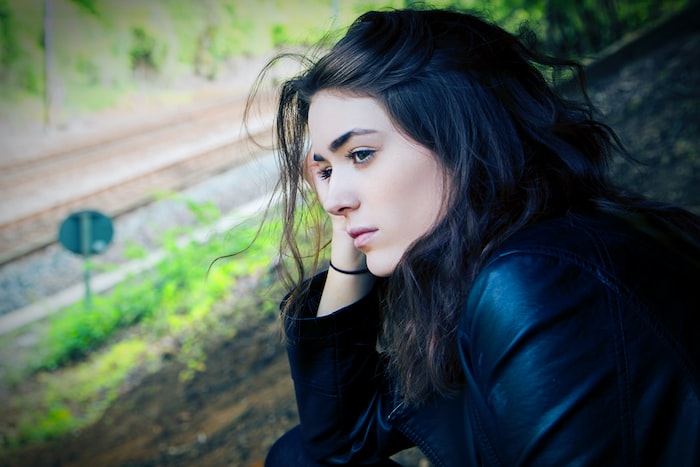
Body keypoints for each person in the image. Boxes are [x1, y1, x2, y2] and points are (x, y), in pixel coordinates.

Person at [248, 7, 700, 466]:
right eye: (323, 170)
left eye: (361, 154)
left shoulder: (537, 281)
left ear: (459, 136)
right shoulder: (486, 260)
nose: (332, 199)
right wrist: (349, 240)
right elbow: (339, 439)